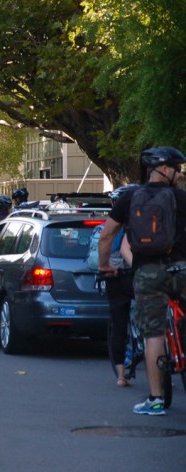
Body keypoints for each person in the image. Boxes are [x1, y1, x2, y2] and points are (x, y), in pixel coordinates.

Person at [99, 146, 186, 416]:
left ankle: (156, 399)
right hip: (183, 270)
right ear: (165, 169)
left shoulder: (129, 198)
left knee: (154, 334)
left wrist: (104, 266)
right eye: (178, 169)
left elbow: (106, 235)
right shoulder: (182, 198)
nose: (180, 174)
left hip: (148, 274)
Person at [101, 185, 139, 388]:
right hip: (140, 275)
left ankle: (121, 376)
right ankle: (163, 366)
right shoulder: (143, 222)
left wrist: (103, 267)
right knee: (153, 325)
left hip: (116, 278)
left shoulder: (104, 227)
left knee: (118, 324)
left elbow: (102, 244)